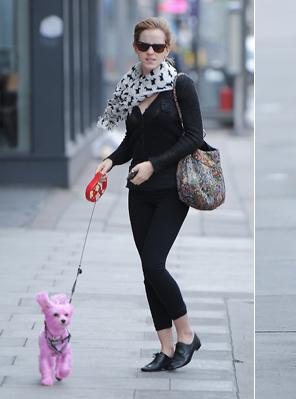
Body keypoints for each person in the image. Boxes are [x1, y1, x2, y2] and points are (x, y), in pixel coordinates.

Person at [95, 17, 203, 372]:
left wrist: (154, 165)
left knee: (156, 263)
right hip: (138, 191)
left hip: (172, 189)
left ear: (168, 49)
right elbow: (132, 141)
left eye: (158, 46)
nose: (151, 52)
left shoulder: (180, 85)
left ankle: (187, 335)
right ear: (135, 48)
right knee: (147, 270)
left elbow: (193, 138)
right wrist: (110, 162)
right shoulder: (130, 87)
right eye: (145, 46)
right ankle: (166, 348)